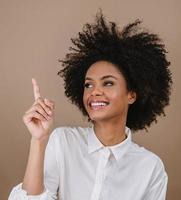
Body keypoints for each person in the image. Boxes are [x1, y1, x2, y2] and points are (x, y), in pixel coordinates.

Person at [8, 9, 172, 200]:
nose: (94, 91)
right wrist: (38, 140)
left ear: (132, 95)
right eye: (88, 84)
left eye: (108, 83)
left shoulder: (151, 168)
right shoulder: (63, 142)